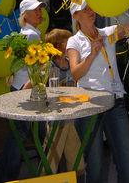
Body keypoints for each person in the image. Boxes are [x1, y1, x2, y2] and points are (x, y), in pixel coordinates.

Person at [66, 0, 129, 183]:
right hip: (89, 105)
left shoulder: (106, 33)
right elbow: (76, 74)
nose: (91, 11)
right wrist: (92, 54)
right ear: (76, 16)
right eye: (85, 9)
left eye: (92, 7)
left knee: (127, 162)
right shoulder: (74, 41)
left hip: (115, 102)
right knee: (94, 166)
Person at [0, 0, 44, 183]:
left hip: (20, 87)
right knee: (19, 139)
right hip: (26, 89)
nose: (39, 13)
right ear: (25, 15)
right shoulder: (31, 35)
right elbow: (35, 68)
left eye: (40, 9)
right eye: (35, 10)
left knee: (19, 137)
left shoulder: (24, 33)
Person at [44, 29, 83, 175]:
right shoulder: (48, 66)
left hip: (73, 114)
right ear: (59, 45)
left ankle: (74, 173)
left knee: (70, 152)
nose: (73, 44)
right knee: (55, 155)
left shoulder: (72, 63)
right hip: (57, 117)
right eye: (69, 41)